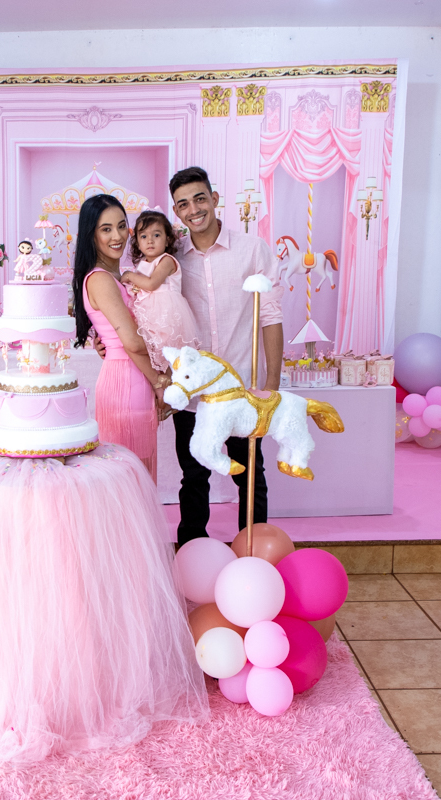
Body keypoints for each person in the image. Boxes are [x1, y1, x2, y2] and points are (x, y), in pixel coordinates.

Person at [170, 166, 284, 544]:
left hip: (243, 391)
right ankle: (191, 551)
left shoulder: (252, 250)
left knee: (250, 475)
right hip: (194, 394)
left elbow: (270, 316)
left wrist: (271, 386)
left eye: (199, 199)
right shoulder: (172, 259)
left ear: (215, 199)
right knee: (193, 476)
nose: (193, 210)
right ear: (176, 211)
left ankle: (254, 549)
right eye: (183, 204)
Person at [72, 194, 167, 478]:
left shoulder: (120, 276)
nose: (118, 236)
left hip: (133, 376)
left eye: (122, 226)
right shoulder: (100, 279)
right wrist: (160, 382)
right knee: (131, 476)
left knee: (136, 473)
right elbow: (133, 343)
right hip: (127, 381)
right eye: (106, 229)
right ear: (91, 235)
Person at [120, 209, 201, 373]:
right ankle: (159, 381)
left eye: (156, 235)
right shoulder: (143, 264)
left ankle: (168, 381)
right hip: (148, 314)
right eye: (144, 236)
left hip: (166, 315)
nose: (150, 240)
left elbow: (151, 284)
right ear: (137, 242)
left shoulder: (167, 261)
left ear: (167, 239)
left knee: (168, 354)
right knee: (145, 350)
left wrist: (129, 275)